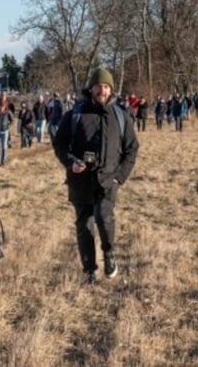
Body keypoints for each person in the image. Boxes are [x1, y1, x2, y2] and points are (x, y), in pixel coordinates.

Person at [53, 67, 139, 284]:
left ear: (111, 90)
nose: (102, 90)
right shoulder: (75, 115)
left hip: (108, 181)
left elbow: (132, 148)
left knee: (103, 216)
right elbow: (60, 144)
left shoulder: (121, 116)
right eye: (98, 86)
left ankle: (109, 253)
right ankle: (89, 271)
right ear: (91, 88)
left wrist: (120, 176)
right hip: (80, 182)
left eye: (106, 86)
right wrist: (71, 162)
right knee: (84, 227)